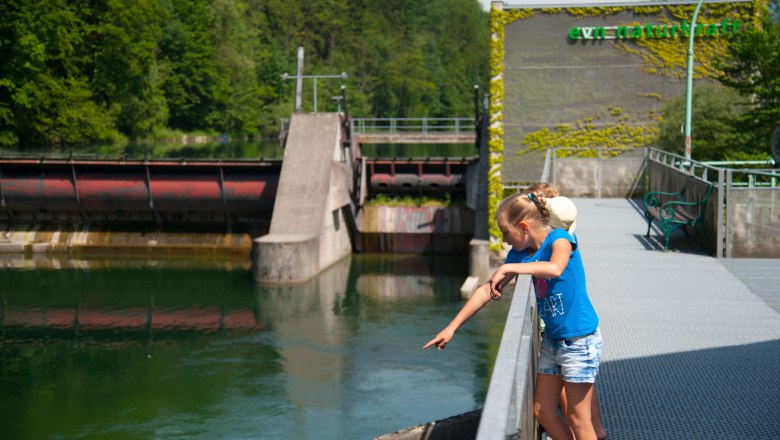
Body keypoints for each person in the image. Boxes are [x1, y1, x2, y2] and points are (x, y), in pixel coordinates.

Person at [423, 191, 603, 440]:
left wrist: (508, 267)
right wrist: (451, 327)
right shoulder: (521, 254)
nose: (505, 240)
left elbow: (555, 268)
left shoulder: (559, 238)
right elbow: (487, 289)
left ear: (523, 227)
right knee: (542, 411)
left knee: (577, 417)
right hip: (552, 340)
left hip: (578, 339)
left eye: (506, 233)